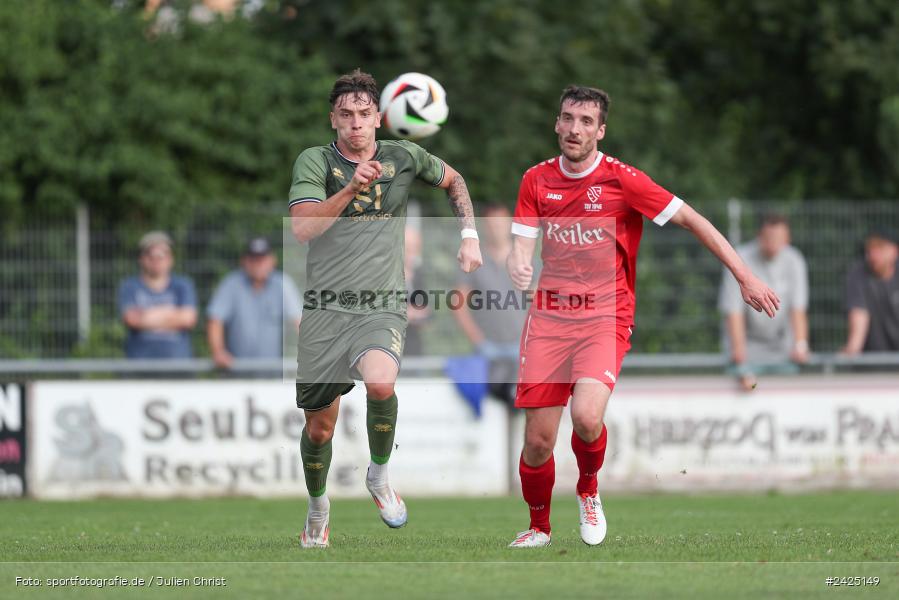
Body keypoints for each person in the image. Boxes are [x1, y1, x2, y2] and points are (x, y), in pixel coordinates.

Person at [505, 85, 780, 548]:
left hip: (604, 316)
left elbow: (693, 219)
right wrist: (518, 261)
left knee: (588, 416)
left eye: (586, 121)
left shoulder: (622, 180)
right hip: (550, 318)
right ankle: (538, 528)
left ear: (601, 130)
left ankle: (588, 490)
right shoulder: (536, 180)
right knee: (538, 442)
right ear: (557, 123)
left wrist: (744, 275)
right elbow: (521, 241)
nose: (575, 129)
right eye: (568, 119)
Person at [287, 69, 482, 548]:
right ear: (333, 119)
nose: (356, 123)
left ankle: (378, 475)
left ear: (380, 117)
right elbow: (303, 229)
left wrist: (469, 235)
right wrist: (351, 188)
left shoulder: (404, 155)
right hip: (326, 310)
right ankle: (318, 508)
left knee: (380, 382)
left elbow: (455, 181)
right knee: (319, 428)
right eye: (347, 115)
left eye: (365, 114)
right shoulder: (315, 161)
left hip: (382, 304)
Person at [718, 214, 810, 390]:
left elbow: (798, 309)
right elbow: (733, 312)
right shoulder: (739, 259)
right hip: (747, 347)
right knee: (749, 388)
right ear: (759, 236)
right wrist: (740, 355)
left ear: (788, 239)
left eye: (779, 239)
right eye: (769, 238)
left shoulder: (795, 260)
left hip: (781, 346)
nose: (773, 244)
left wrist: (800, 345)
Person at [453, 203, 527, 403]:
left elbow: (539, 302)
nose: (496, 228)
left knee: (522, 404)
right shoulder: (474, 259)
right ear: (484, 226)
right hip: (488, 350)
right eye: (491, 223)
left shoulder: (524, 258)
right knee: (490, 404)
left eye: (500, 223)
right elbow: (458, 304)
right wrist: (478, 340)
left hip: (520, 348)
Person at [207, 237, 303, 369]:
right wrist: (218, 351)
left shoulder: (282, 284)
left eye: (262, 259)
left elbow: (300, 321)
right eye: (253, 259)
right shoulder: (231, 284)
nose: (258, 264)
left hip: (273, 373)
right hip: (235, 372)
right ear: (244, 261)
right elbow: (215, 320)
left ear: (272, 260)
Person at [118, 231, 197, 359]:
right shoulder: (129, 286)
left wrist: (146, 315)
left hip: (178, 366)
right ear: (141, 259)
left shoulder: (183, 285)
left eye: (162, 255)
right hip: (140, 365)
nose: (156, 260)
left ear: (171, 259)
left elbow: (188, 319)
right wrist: (172, 314)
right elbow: (131, 319)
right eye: (150, 255)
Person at [842, 228, 899, 354]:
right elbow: (859, 319)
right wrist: (851, 351)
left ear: (895, 251)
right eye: (870, 248)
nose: (873, 254)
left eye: (880, 247)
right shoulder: (858, 275)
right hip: (872, 362)